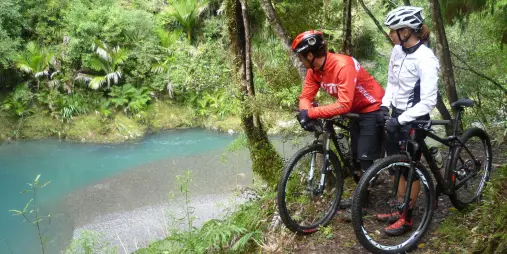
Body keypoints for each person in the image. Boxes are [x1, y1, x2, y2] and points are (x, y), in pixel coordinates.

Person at [292, 30, 386, 187]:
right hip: (355, 110)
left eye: (300, 57)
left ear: (309, 56)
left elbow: (343, 105)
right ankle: (362, 187)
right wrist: (304, 112)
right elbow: (306, 97)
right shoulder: (314, 71)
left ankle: (365, 197)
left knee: (364, 157)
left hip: (372, 107)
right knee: (355, 156)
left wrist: (310, 112)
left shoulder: (342, 66)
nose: (300, 61)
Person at [376, 6, 440, 236]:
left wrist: (401, 119)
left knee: (411, 167)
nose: (389, 35)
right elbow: (392, 82)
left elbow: (428, 101)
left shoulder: (426, 58)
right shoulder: (397, 51)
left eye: (393, 31)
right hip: (396, 115)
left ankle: (407, 218)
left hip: (415, 118)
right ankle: (398, 205)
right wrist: (385, 105)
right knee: (396, 164)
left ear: (406, 31)